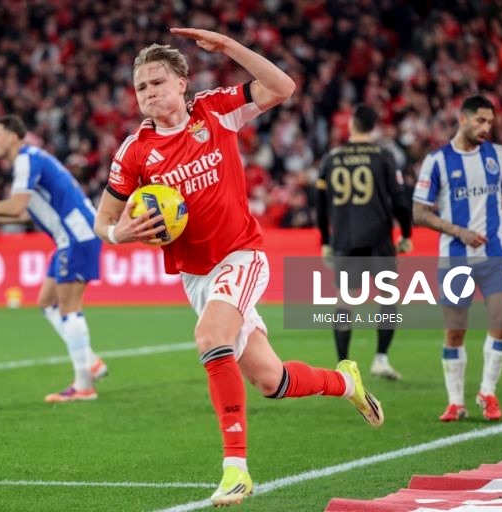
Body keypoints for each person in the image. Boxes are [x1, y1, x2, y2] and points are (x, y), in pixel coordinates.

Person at [93, 28, 384, 507]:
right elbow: (104, 219)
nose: (149, 93)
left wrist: (229, 48)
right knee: (272, 381)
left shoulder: (215, 110)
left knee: (210, 338)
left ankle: (236, 470)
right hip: (195, 274)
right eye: (141, 86)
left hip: (241, 255)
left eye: (158, 82)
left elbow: (283, 88)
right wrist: (116, 234)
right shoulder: (134, 151)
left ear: (182, 83)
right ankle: (345, 382)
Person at [0, 115, 108, 403]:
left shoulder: (26, 159)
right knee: (46, 301)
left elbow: (17, 208)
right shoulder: (30, 161)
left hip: (77, 235)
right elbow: (29, 212)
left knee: (69, 307)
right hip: (70, 237)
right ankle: (89, 359)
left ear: (14, 137)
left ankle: (84, 385)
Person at [413, 95, 502, 422]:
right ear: (463, 120)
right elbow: (419, 212)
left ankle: (488, 391)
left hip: (495, 254)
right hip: (456, 256)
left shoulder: (500, 157)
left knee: (500, 323)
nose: (487, 127)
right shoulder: (437, 161)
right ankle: (456, 401)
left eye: (490, 122)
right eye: (481, 121)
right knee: (455, 331)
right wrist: (458, 231)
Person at [316, 104, 413, 380]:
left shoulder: (332, 158)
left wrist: (326, 241)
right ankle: (381, 359)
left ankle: (343, 367)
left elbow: (320, 206)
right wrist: (406, 234)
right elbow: (399, 199)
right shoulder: (383, 156)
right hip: (379, 238)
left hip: (345, 240)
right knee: (387, 298)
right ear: (374, 127)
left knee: (345, 303)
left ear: (352, 125)